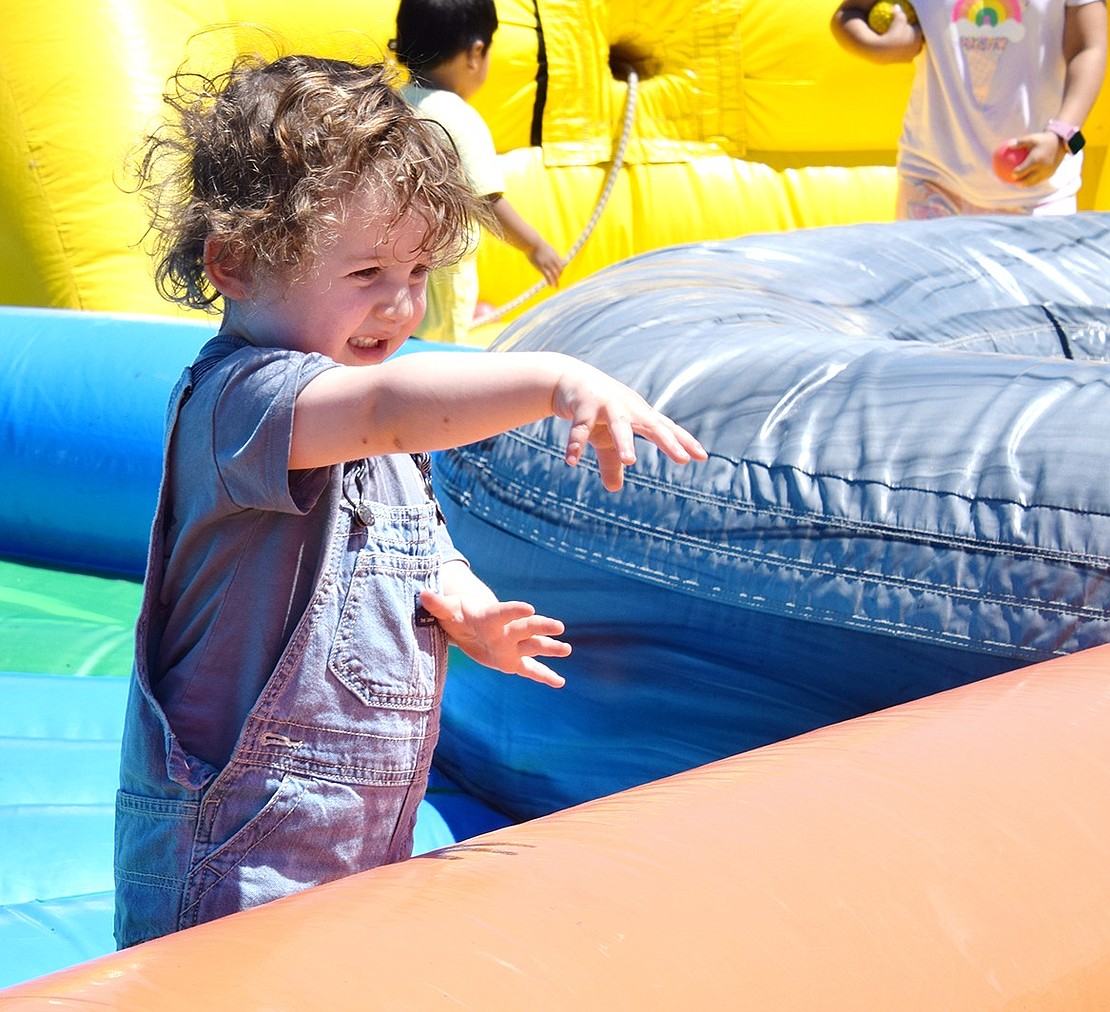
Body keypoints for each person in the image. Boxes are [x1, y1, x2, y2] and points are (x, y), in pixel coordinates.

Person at [113, 53, 707, 948]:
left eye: (421, 270)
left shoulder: (359, 414)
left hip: (362, 829)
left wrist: (465, 609)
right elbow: (390, 415)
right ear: (233, 264)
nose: (401, 305)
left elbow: (410, 541)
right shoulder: (242, 401)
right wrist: (556, 380)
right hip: (234, 844)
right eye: (366, 274)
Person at [830, 0, 1107, 217]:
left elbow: (1089, 46)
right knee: (925, 291)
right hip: (933, 180)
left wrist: (1061, 136)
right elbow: (849, 12)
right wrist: (880, 47)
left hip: (1037, 191)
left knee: (1031, 292)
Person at [391, 0, 565, 343]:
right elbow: (486, 203)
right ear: (476, 52)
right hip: (438, 280)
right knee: (439, 352)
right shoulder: (459, 119)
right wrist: (535, 247)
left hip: (393, 271)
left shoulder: (392, 102)